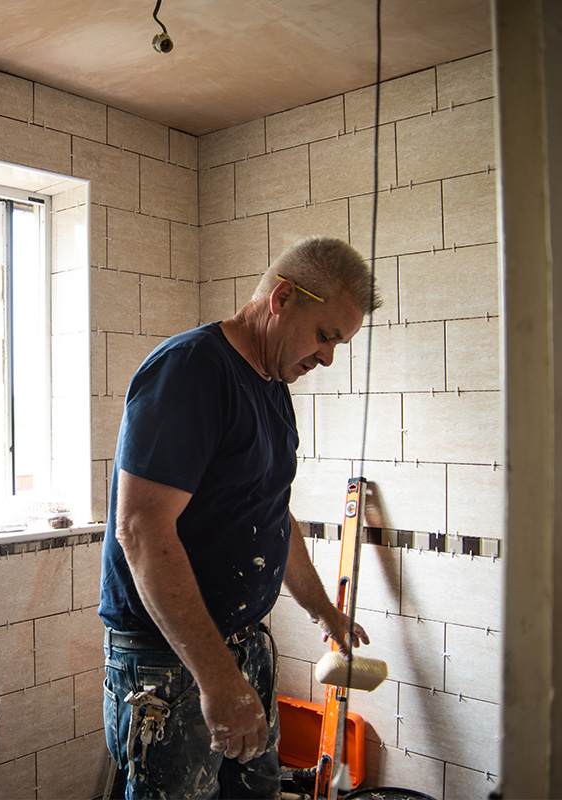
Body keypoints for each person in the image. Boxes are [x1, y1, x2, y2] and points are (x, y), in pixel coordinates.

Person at [99, 236, 382, 799]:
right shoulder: (191, 371)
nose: (327, 357)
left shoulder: (273, 386)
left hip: (240, 646)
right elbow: (141, 529)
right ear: (282, 298)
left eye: (339, 344)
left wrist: (323, 610)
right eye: (325, 335)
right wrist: (216, 676)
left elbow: (271, 516)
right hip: (170, 661)